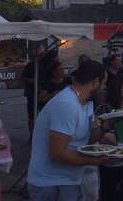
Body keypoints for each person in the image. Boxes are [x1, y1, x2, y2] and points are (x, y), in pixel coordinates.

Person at [27, 60, 111, 200]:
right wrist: (95, 161)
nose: (104, 88)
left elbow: (85, 138)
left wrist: (104, 128)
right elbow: (57, 154)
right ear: (95, 82)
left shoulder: (85, 103)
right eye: (103, 83)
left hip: (69, 181)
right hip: (51, 184)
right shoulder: (67, 104)